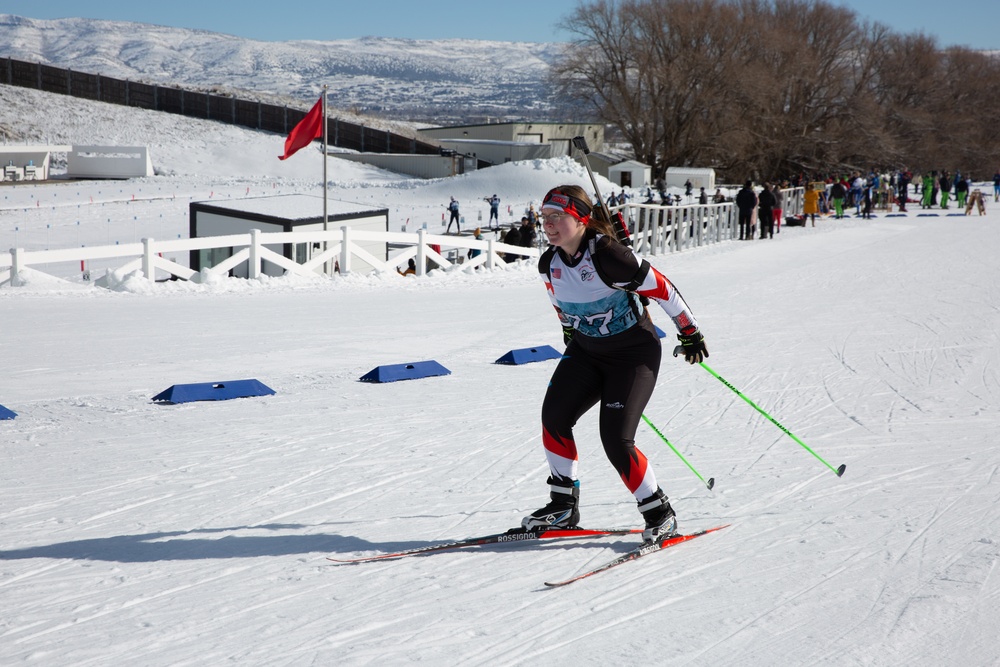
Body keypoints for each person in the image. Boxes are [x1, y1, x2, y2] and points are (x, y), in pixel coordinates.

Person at [523, 184, 708, 543]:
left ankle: (659, 513)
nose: (548, 224)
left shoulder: (609, 255)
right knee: (555, 417)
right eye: (544, 217)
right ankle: (562, 505)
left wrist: (690, 332)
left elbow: (664, 289)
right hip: (587, 351)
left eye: (557, 216)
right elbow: (558, 303)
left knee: (615, 438)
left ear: (580, 219)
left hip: (632, 355)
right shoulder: (550, 262)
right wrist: (568, 330)